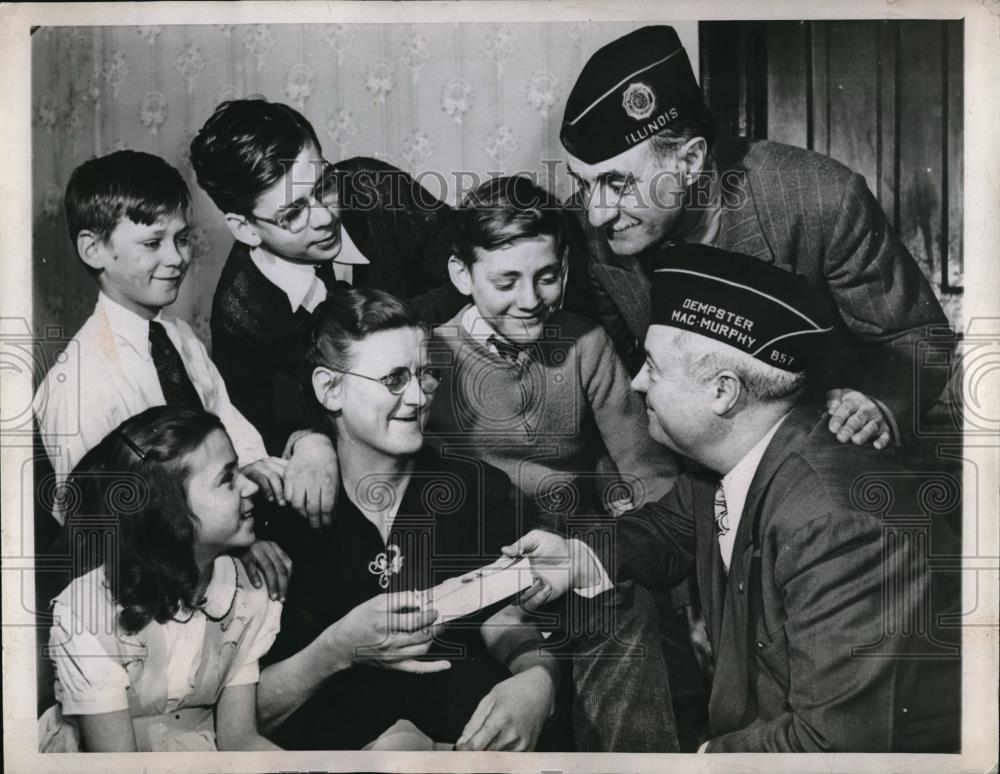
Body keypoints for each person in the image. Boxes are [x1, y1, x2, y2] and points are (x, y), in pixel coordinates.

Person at [508, 244, 962, 752]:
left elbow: (831, 748)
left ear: (723, 393)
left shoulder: (838, 525)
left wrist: (700, 761)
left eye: (653, 368)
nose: (636, 383)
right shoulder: (740, 455)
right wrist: (576, 557)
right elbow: (666, 528)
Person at [559, 24, 954, 449]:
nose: (597, 214)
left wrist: (877, 406)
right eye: (583, 184)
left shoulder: (821, 198)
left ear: (689, 161)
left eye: (618, 184)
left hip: (813, 457)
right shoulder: (587, 232)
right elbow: (611, 380)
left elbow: (917, 339)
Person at [253, 285, 566, 751]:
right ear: (329, 388)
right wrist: (338, 648)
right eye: (394, 379)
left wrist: (537, 679)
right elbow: (246, 713)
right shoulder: (275, 516)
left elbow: (502, 612)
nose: (419, 397)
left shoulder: (477, 489)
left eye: (426, 375)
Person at [33, 149, 337, 593]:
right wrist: (232, 545)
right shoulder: (81, 383)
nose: (176, 258)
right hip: (145, 585)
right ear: (93, 249)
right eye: (153, 243)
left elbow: (226, 420)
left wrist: (254, 469)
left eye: (182, 238)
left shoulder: (177, 336)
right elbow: (106, 530)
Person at [190, 99, 461, 473]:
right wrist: (305, 439)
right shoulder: (240, 311)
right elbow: (257, 427)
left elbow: (478, 266)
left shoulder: (379, 190)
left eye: (325, 185)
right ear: (245, 228)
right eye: (293, 213)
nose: (324, 216)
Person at [428, 175, 679, 521]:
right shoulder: (430, 355)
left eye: (547, 278)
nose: (530, 301)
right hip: (479, 542)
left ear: (563, 264)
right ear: (462, 275)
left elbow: (647, 468)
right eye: (506, 282)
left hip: (578, 538)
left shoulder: (587, 342)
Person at [38, 407, 282, 752]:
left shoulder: (245, 595)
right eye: (227, 478)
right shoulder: (86, 616)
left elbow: (240, 739)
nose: (248, 485)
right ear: (171, 515)